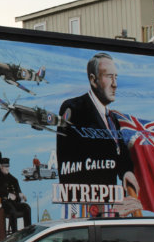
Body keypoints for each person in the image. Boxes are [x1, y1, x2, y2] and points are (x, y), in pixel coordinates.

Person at [57, 52, 141, 214]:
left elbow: (119, 153)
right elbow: (68, 173)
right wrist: (110, 209)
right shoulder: (74, 109)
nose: (115, 84)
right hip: (88, 216)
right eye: (109, 77)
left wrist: (126, 172)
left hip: (106, 214)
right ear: (93, 80)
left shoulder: (112, 118)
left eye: (116, 77)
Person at [0, 158, 31, 231]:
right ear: (1, 166)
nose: (7, 168)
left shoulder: (13, 179)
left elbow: (18, 191)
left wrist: (21, 195)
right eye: (5, 166)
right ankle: (14, 233)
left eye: (8, 166)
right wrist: (8, 194)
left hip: (15, 203)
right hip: (3, 203)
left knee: (27, 207)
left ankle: (27, 231)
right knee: (13, 211)